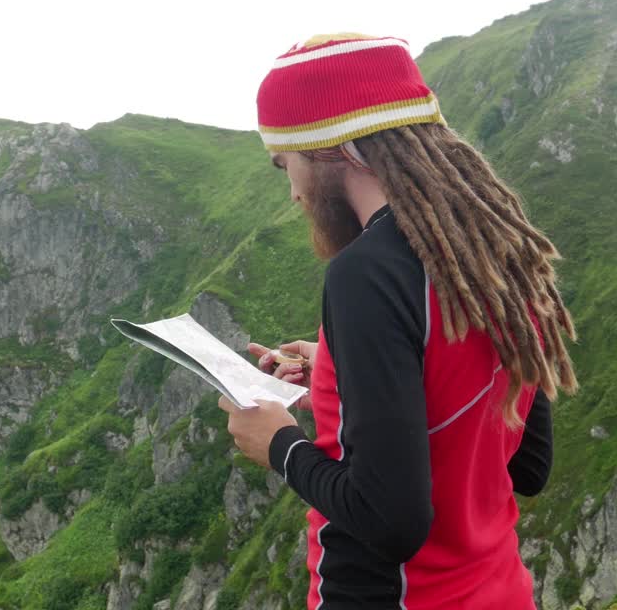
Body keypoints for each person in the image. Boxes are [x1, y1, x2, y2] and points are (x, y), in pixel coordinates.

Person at [217, 33, 578, 609]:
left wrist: (278, 443)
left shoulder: (366, 274)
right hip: (499, 592)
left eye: (287, 163)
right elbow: (527, 466)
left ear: (329, 149)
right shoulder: (496, 257)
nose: (292, 191)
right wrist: (340, 377)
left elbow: (391, 522)